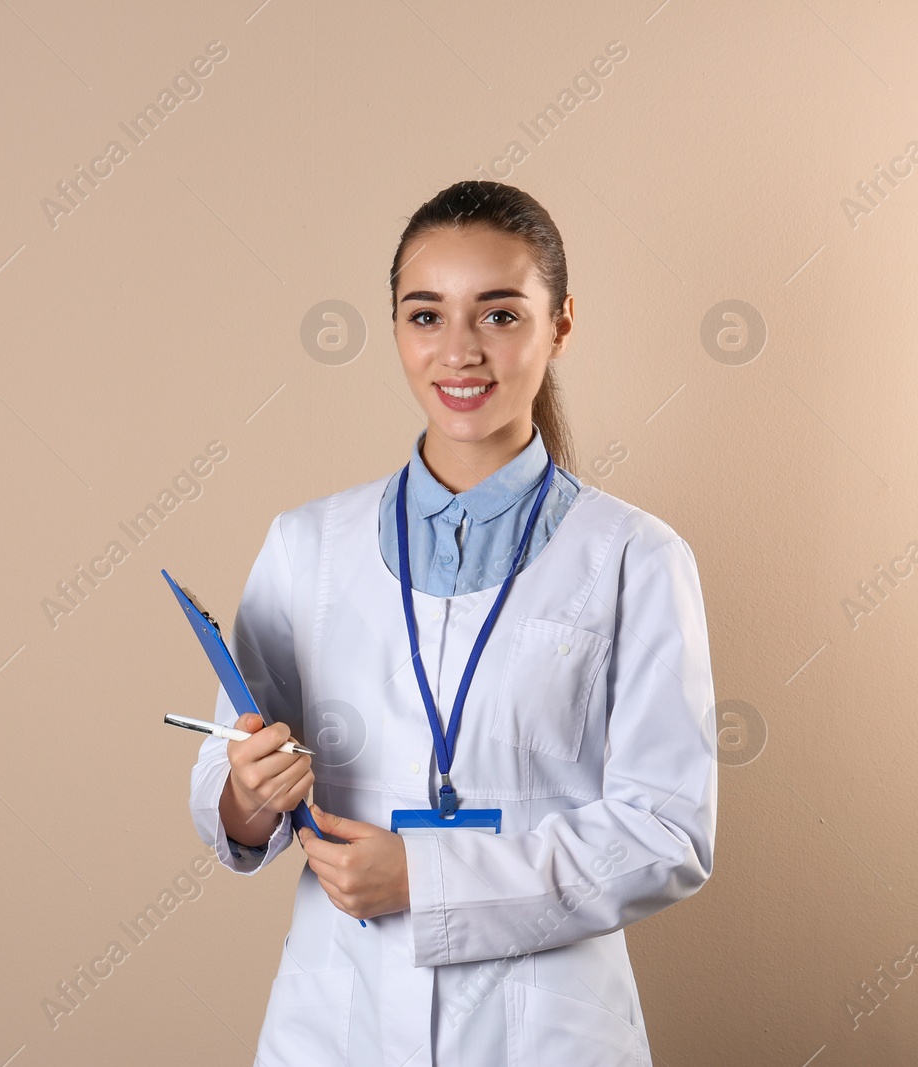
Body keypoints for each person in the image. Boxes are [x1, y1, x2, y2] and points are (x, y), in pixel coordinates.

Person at [188, 180, 716, 1066]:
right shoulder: (306, 545)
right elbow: (226, 773)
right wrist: (247, 795)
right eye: (425, 315)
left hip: (545, 1031)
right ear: (395, 328)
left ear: (562, 324)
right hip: (336, 1020)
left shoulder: (634, 557)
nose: (460, 351)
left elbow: (668, 832)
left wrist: (428, 880)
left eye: (500, 315)